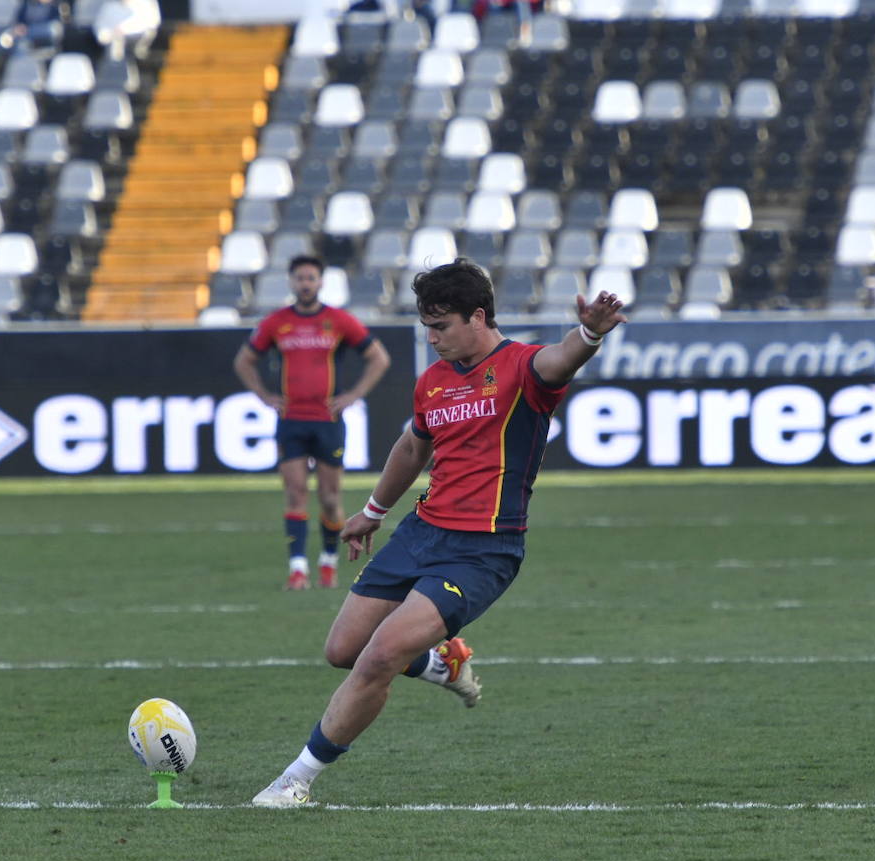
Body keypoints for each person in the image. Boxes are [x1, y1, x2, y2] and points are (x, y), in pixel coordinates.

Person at [251, 258, 626, 807]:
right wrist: (373, 512)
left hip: (482, 551)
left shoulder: (523, 369)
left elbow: (564, 356)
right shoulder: (432, 382)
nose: (431, 338)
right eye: (426, 326)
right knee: (342, 650)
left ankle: (296, 781)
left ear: (478, 317)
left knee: (377, 658)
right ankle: (440, 661)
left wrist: (590, 331)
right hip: (420, 533)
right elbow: (412, 448)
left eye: (441, 325)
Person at [234, 255, 391, 591]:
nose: (305, 284)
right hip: (291, 420)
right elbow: (245, 361)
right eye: (300, 278)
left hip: (327, 421)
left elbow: (378, 357)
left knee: (331, 497)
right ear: (291, 282)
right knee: (294, 493)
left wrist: (353, 395)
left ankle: (328, 562)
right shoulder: (277, 323)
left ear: (320, 282)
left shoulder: (338, 321)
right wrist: (263, 395)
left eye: (311, 278)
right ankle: (297, 569)